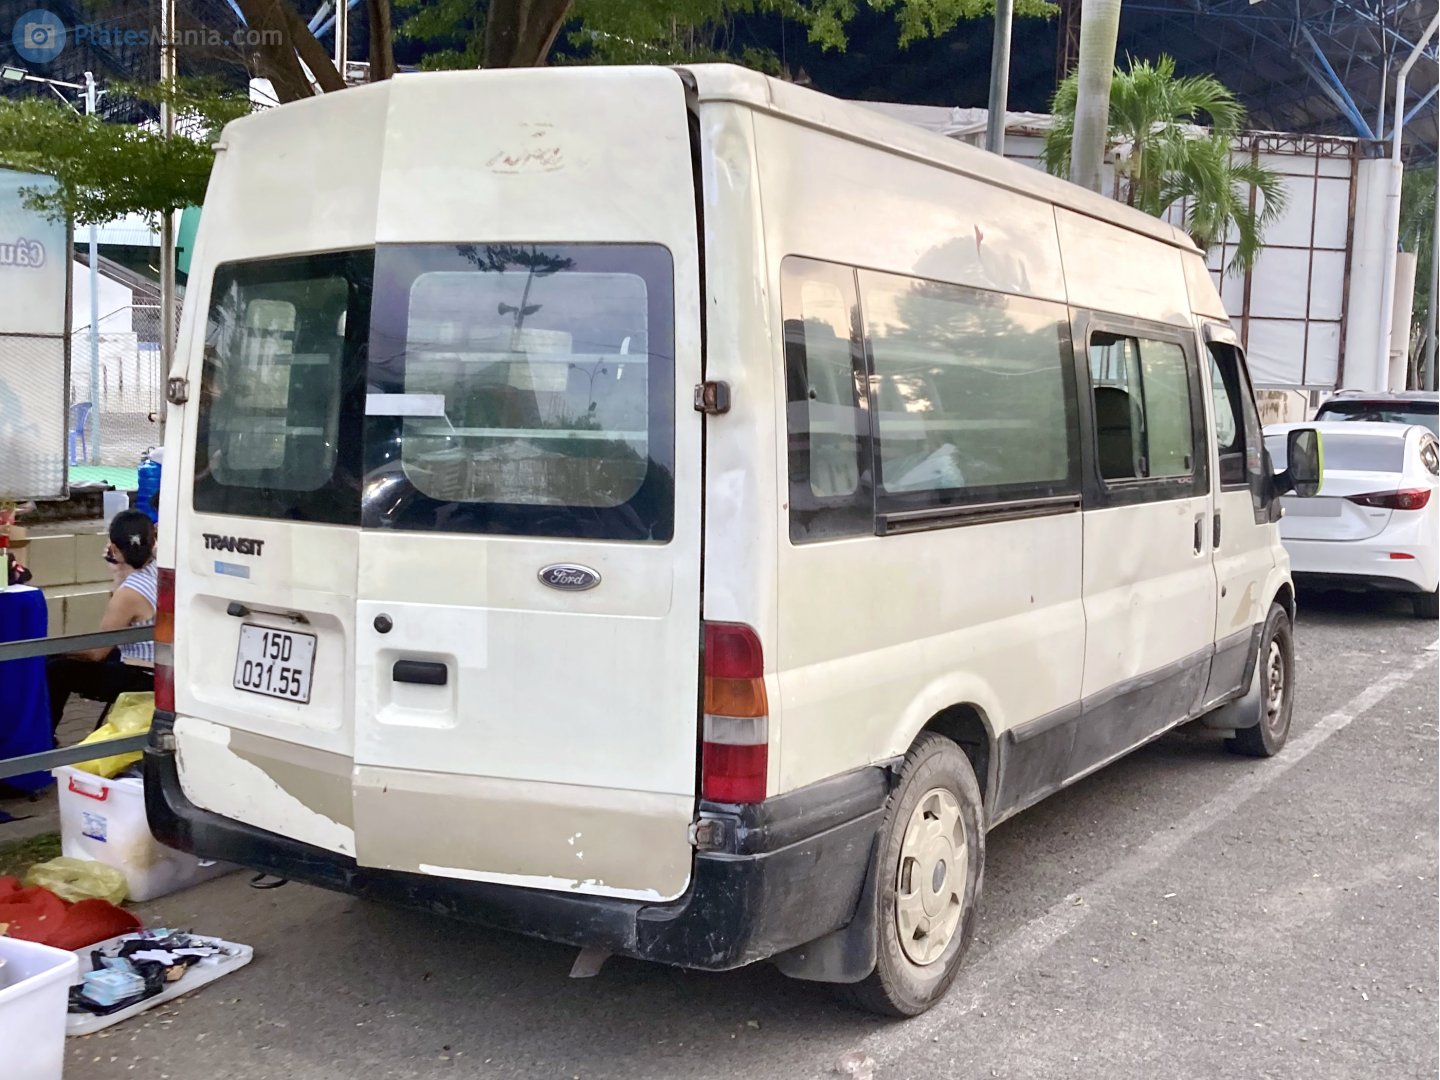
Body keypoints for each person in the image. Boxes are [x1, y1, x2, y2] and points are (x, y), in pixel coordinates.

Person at [46, 509, 157, 733]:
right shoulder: (158, 569)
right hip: (160, 666)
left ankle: (43, 740)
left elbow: (98, 653)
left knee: (56, 669)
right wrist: (119, 570)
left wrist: (56, 648)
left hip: (142, 676)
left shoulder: (129, 592)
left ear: (114, 549)